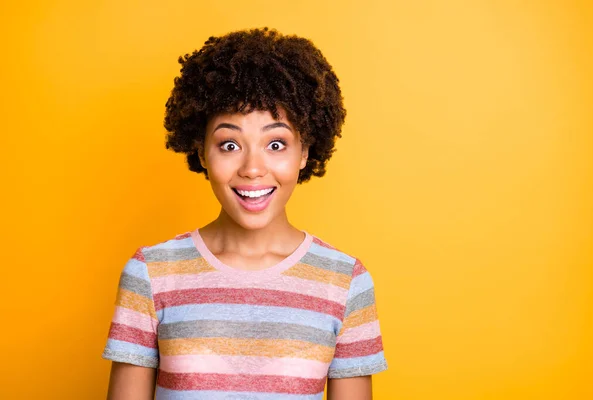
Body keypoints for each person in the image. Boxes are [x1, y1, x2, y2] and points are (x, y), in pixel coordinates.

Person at [101, 27, 388, 400]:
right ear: (202, 152)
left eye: (276, 143)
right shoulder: (151, 275)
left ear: (304, 152)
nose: (253, 168)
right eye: (230, 144)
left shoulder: (346, 282)